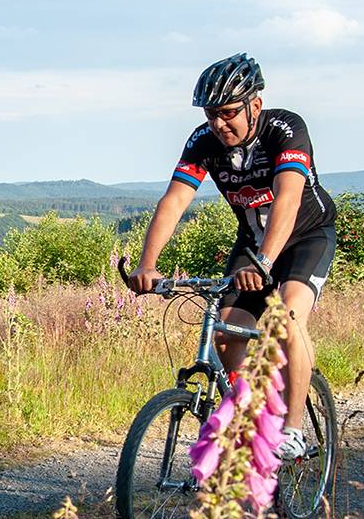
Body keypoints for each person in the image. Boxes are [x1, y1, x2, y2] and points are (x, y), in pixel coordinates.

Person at [125, 53, 336, 462]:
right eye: (210, 116)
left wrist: (264, 262)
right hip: (253, 240)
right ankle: (254, 417)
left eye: (227, 114)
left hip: (305, 236)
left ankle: (293, 430)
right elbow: (174, 201)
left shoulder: (285, 129)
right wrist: (147, 264)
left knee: (287, 318)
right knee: (226, 334)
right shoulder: (203, 142)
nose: (219, 125)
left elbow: (288, 200)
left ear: (254, 105)